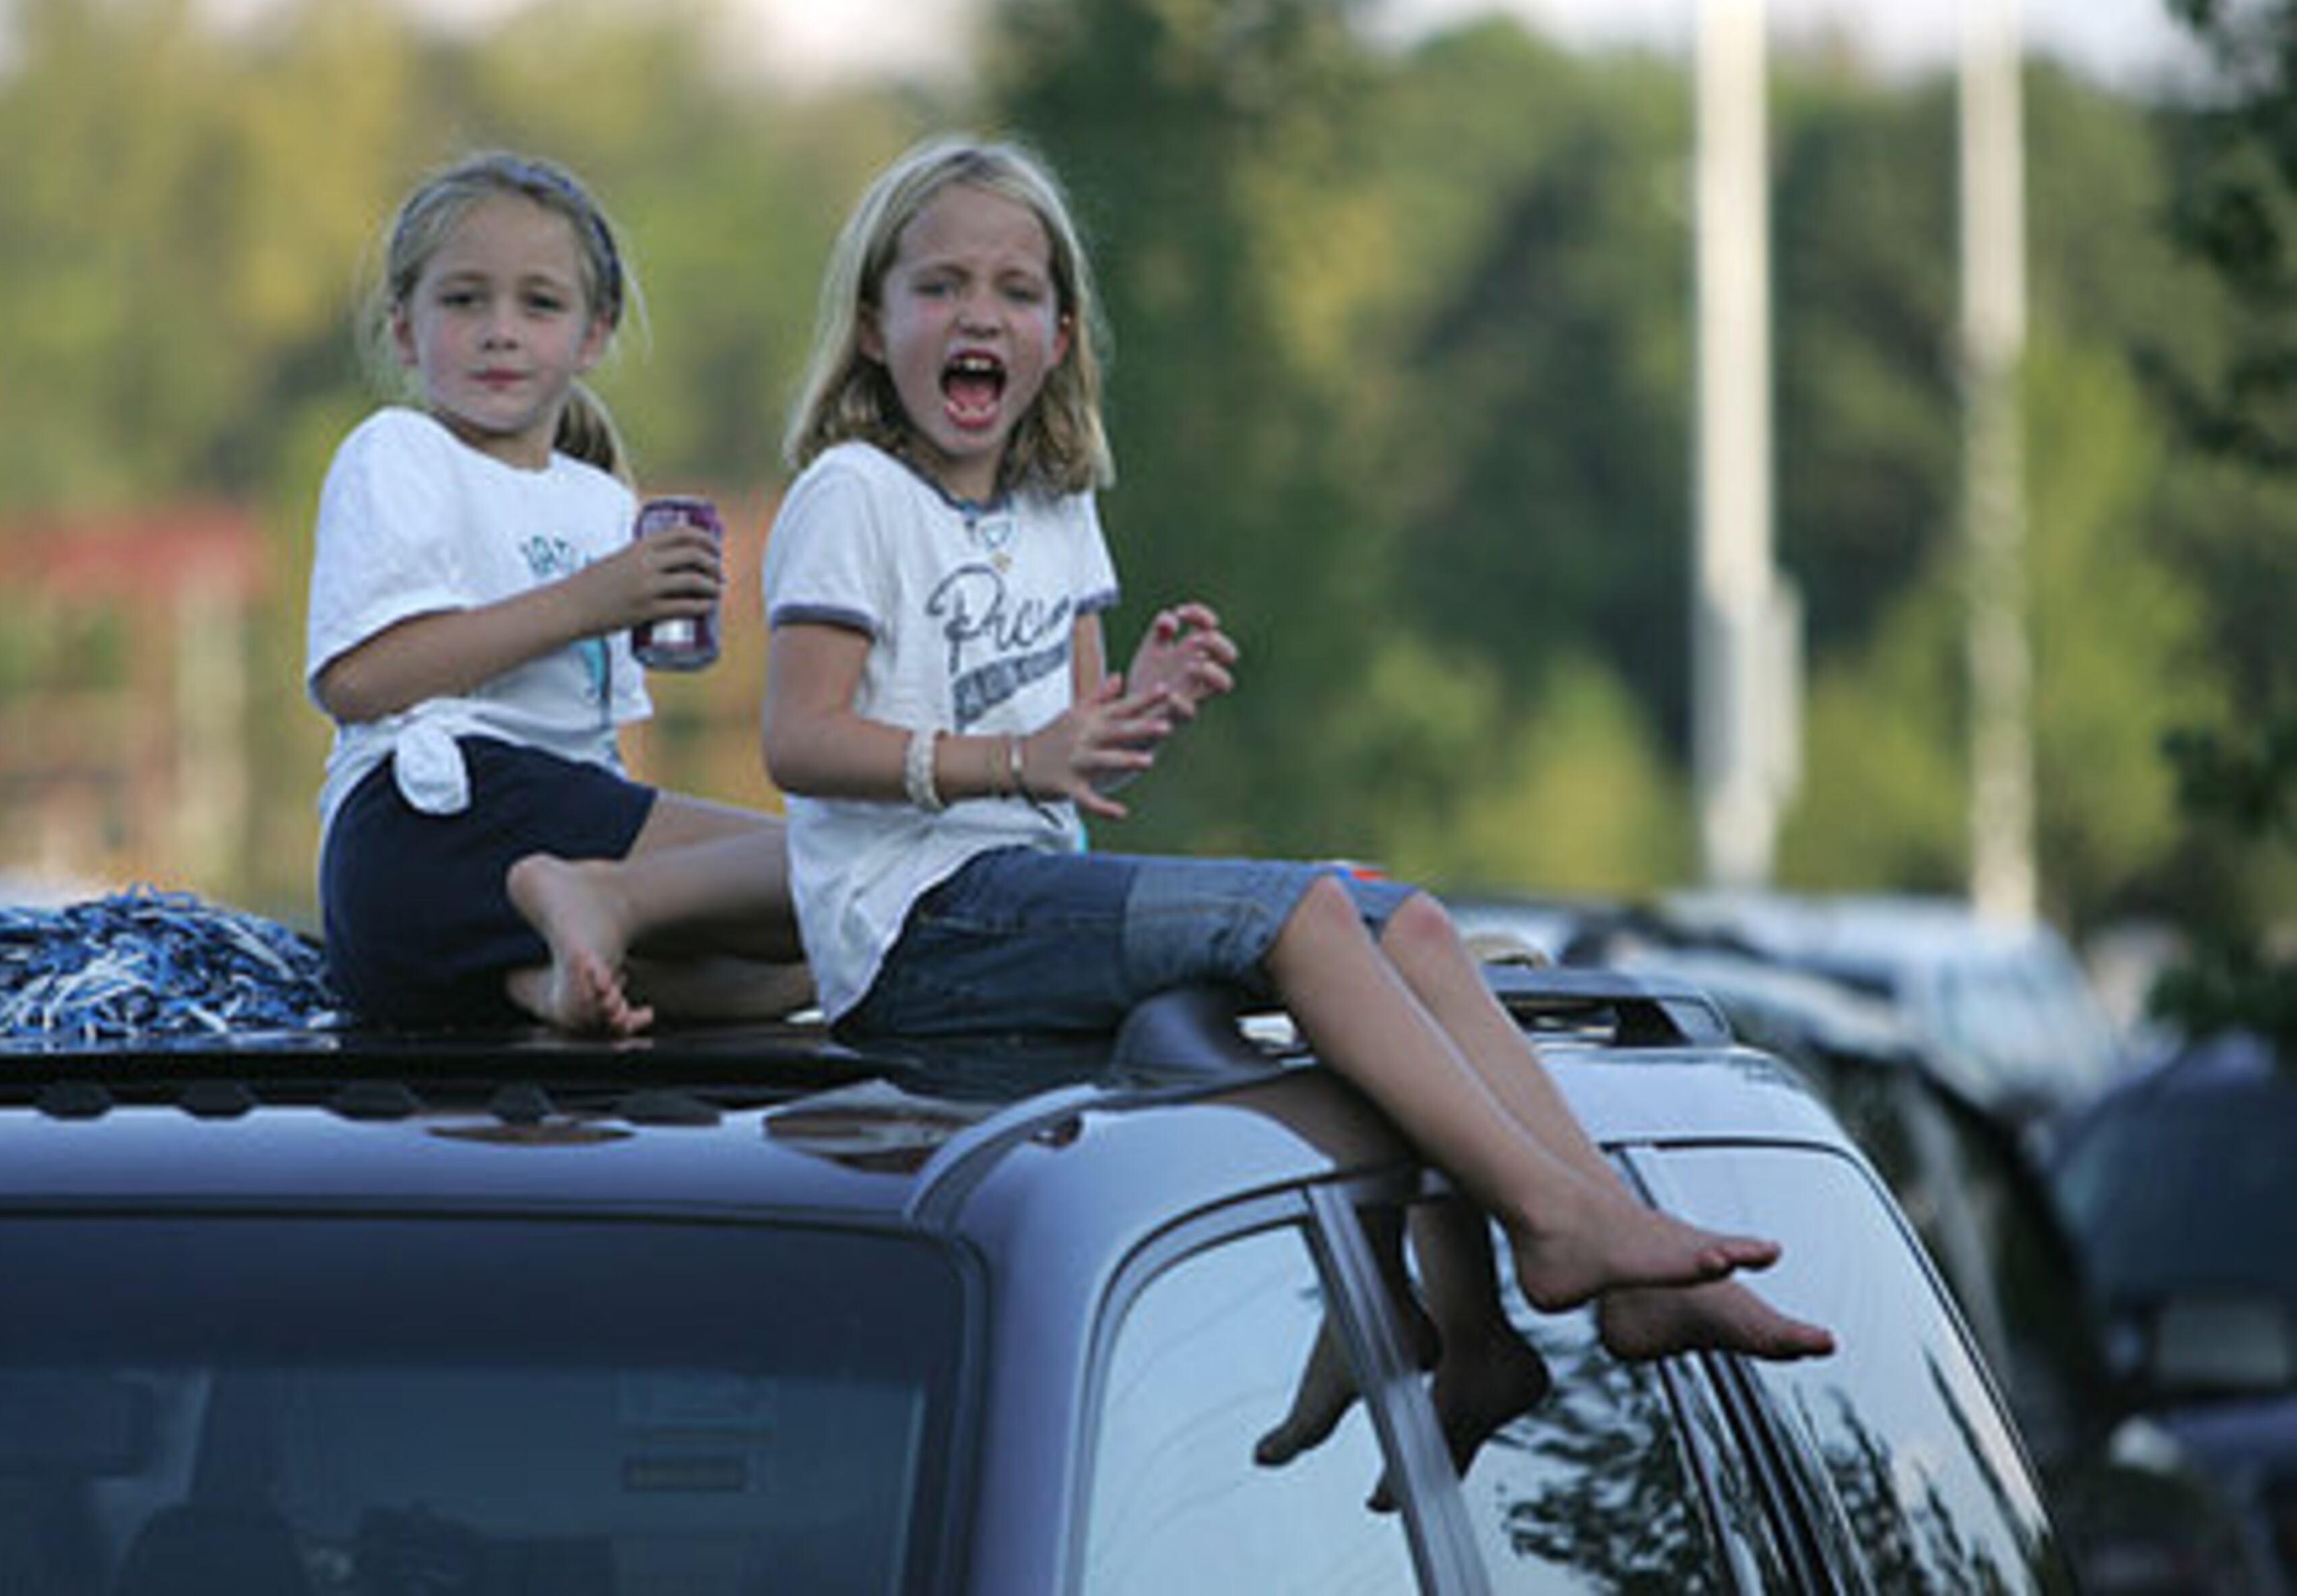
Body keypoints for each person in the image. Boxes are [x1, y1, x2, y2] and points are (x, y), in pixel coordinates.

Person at [758, 133, 1832, 1359]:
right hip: (919, 934)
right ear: (870, 321)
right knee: (1309, 915)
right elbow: (801, 737)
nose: (978, 314)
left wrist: (1136, 703)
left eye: (1016, 290)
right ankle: (1555, 1224)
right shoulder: (853, 493)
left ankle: (1567, 1273)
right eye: (938, 286)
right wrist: (1014, 765)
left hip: (1025, 898)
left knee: (1418, 928)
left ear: (1059, 336)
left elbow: (1075, 752)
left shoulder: (1058, 504)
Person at [308, 150, 806, 1037]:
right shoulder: (400, 451)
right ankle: (597, 903)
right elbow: (360, 680)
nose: (501, 330)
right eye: (464, 300)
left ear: (593, 334)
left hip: (487, 916)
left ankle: (552, 982)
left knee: (822, 954)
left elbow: (592, 761)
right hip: (426, 823)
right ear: (404, 330)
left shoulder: (601, 501)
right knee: (839, 867)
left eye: (539, 303)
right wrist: (586, 601)